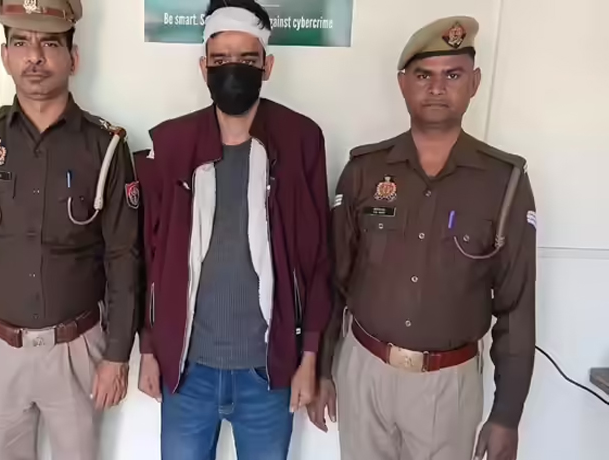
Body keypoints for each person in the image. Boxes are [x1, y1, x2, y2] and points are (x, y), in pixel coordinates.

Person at [308, 16, 536, 460]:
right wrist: (323, 370)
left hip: (447, 386)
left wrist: (507, 415)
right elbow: (334, 280)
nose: (437, 88)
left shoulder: (504, 182)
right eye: (423, 75)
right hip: (365, 371)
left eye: (453, 75)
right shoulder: (364, 171)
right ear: (403, 84)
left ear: (474, 83)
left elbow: (516, 305)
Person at [0, 1, 142, 459]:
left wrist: (117, 354)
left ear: (73, 58)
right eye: (21, 42)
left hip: (77, 351)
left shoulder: (105, 147)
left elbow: (123, 258)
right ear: (5, 55)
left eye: (50, 44)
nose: (35, 57)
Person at [135, 1, 332, 459]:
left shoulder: (300, 140)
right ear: (203, 67)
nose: (233, 70)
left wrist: (310, 356)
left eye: (246, 59)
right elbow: (149, 255)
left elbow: (317, 257)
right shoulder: (172, 144)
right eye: (221, 60)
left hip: (269, 370)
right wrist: (148, 347)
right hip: (187, 371)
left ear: (268, 66)